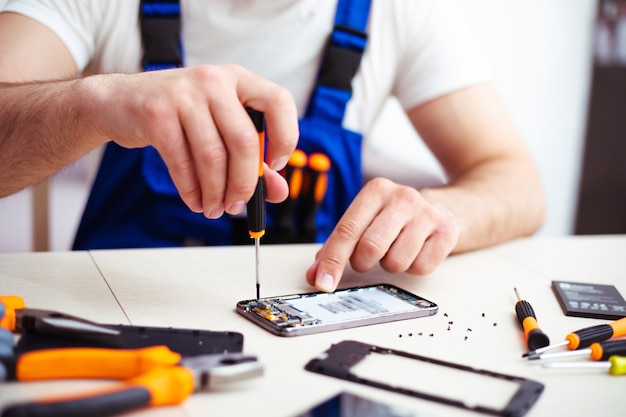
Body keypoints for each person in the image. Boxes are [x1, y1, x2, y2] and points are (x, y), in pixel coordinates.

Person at [0, 0, 545, 293]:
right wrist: (98, 102)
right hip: (112, 338)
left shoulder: (396, 10)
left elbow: (517, 184)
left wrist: (442, 213)